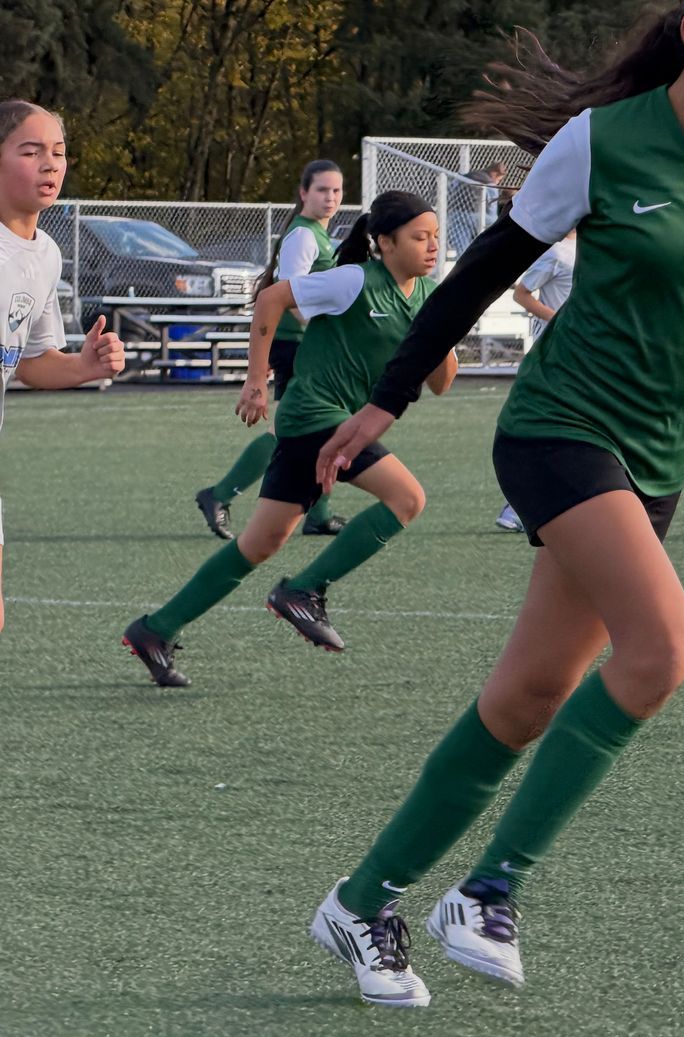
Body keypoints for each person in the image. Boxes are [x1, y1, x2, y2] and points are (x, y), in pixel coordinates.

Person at [300, 0, 684, 1008]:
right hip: (561, 428)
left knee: (528, 697)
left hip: (659, 456)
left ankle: (360, 901)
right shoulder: (603, 141)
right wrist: (386, 394)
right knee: (660, 649)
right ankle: (489, 889)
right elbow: (481, 272)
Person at [122, 193, 457, 685]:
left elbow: (441, 383)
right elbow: (272, 297)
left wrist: (443, 328)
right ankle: (305, 590)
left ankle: (155, 629)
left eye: (435, 237)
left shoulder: (427, 296)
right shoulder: (354, 280)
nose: (431, 247)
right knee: (407, 498)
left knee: (260, 543)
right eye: (419, 237)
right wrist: (256, 380)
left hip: (332, 422)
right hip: (315, 414)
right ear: (384, 242)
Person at [0, 101, 126, 633]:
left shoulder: (45, 254)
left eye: (58, 152)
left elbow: (29, 362)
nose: (50, 164)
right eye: (31, 151)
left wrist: (83, 366)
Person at [195, 160, 351, 542]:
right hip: (297, 346)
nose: (330, 197)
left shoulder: (317, 234)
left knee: (326, 426)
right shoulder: (304, 236)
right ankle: (218, 495)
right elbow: (292, 298)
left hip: (302, 345)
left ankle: (318, 513)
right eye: (321, 190)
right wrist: (323, 337)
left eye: (336, 190)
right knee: (294, 430)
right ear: (303, 193)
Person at [495, 229, 578, 533]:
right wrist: (557, 319)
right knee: (553, 429)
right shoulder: (557, 253)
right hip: (556, 352)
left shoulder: (594, 246)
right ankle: (517, 506)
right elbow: (522, 293)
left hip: (585, 351)